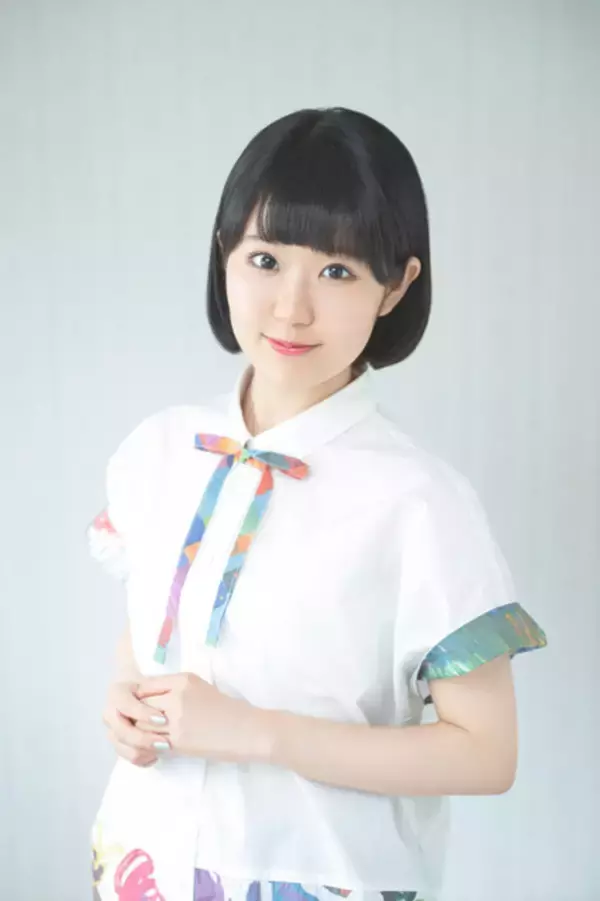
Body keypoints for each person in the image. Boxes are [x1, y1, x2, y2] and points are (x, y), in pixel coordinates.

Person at [88, 106, 547, 901]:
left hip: (324, 878)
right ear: (224, 255)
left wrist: (257, 732)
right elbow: (152, 626)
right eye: (265, 259)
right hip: (141, 858)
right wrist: (127, 698)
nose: (291, 308)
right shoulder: (157, 450)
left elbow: (485, 752)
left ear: (396, 285)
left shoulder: (421, 502)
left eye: (337, 271)